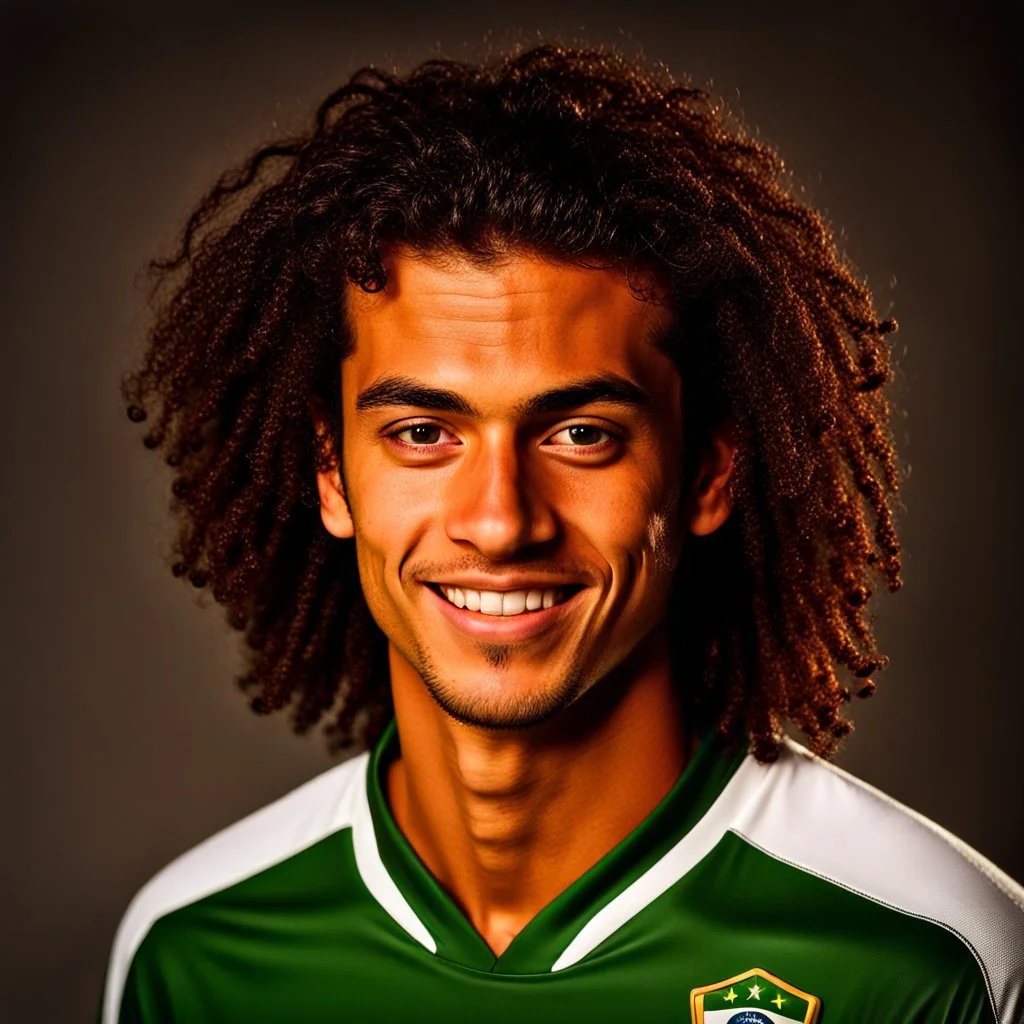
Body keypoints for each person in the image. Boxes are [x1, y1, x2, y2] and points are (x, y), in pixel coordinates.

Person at [99, 44, 1023, 1024]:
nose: (499, 520)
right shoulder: (192, 952)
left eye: (580, 434)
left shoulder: (931, 961)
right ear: (333, 475)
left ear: (706, 472)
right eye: (423, 433)